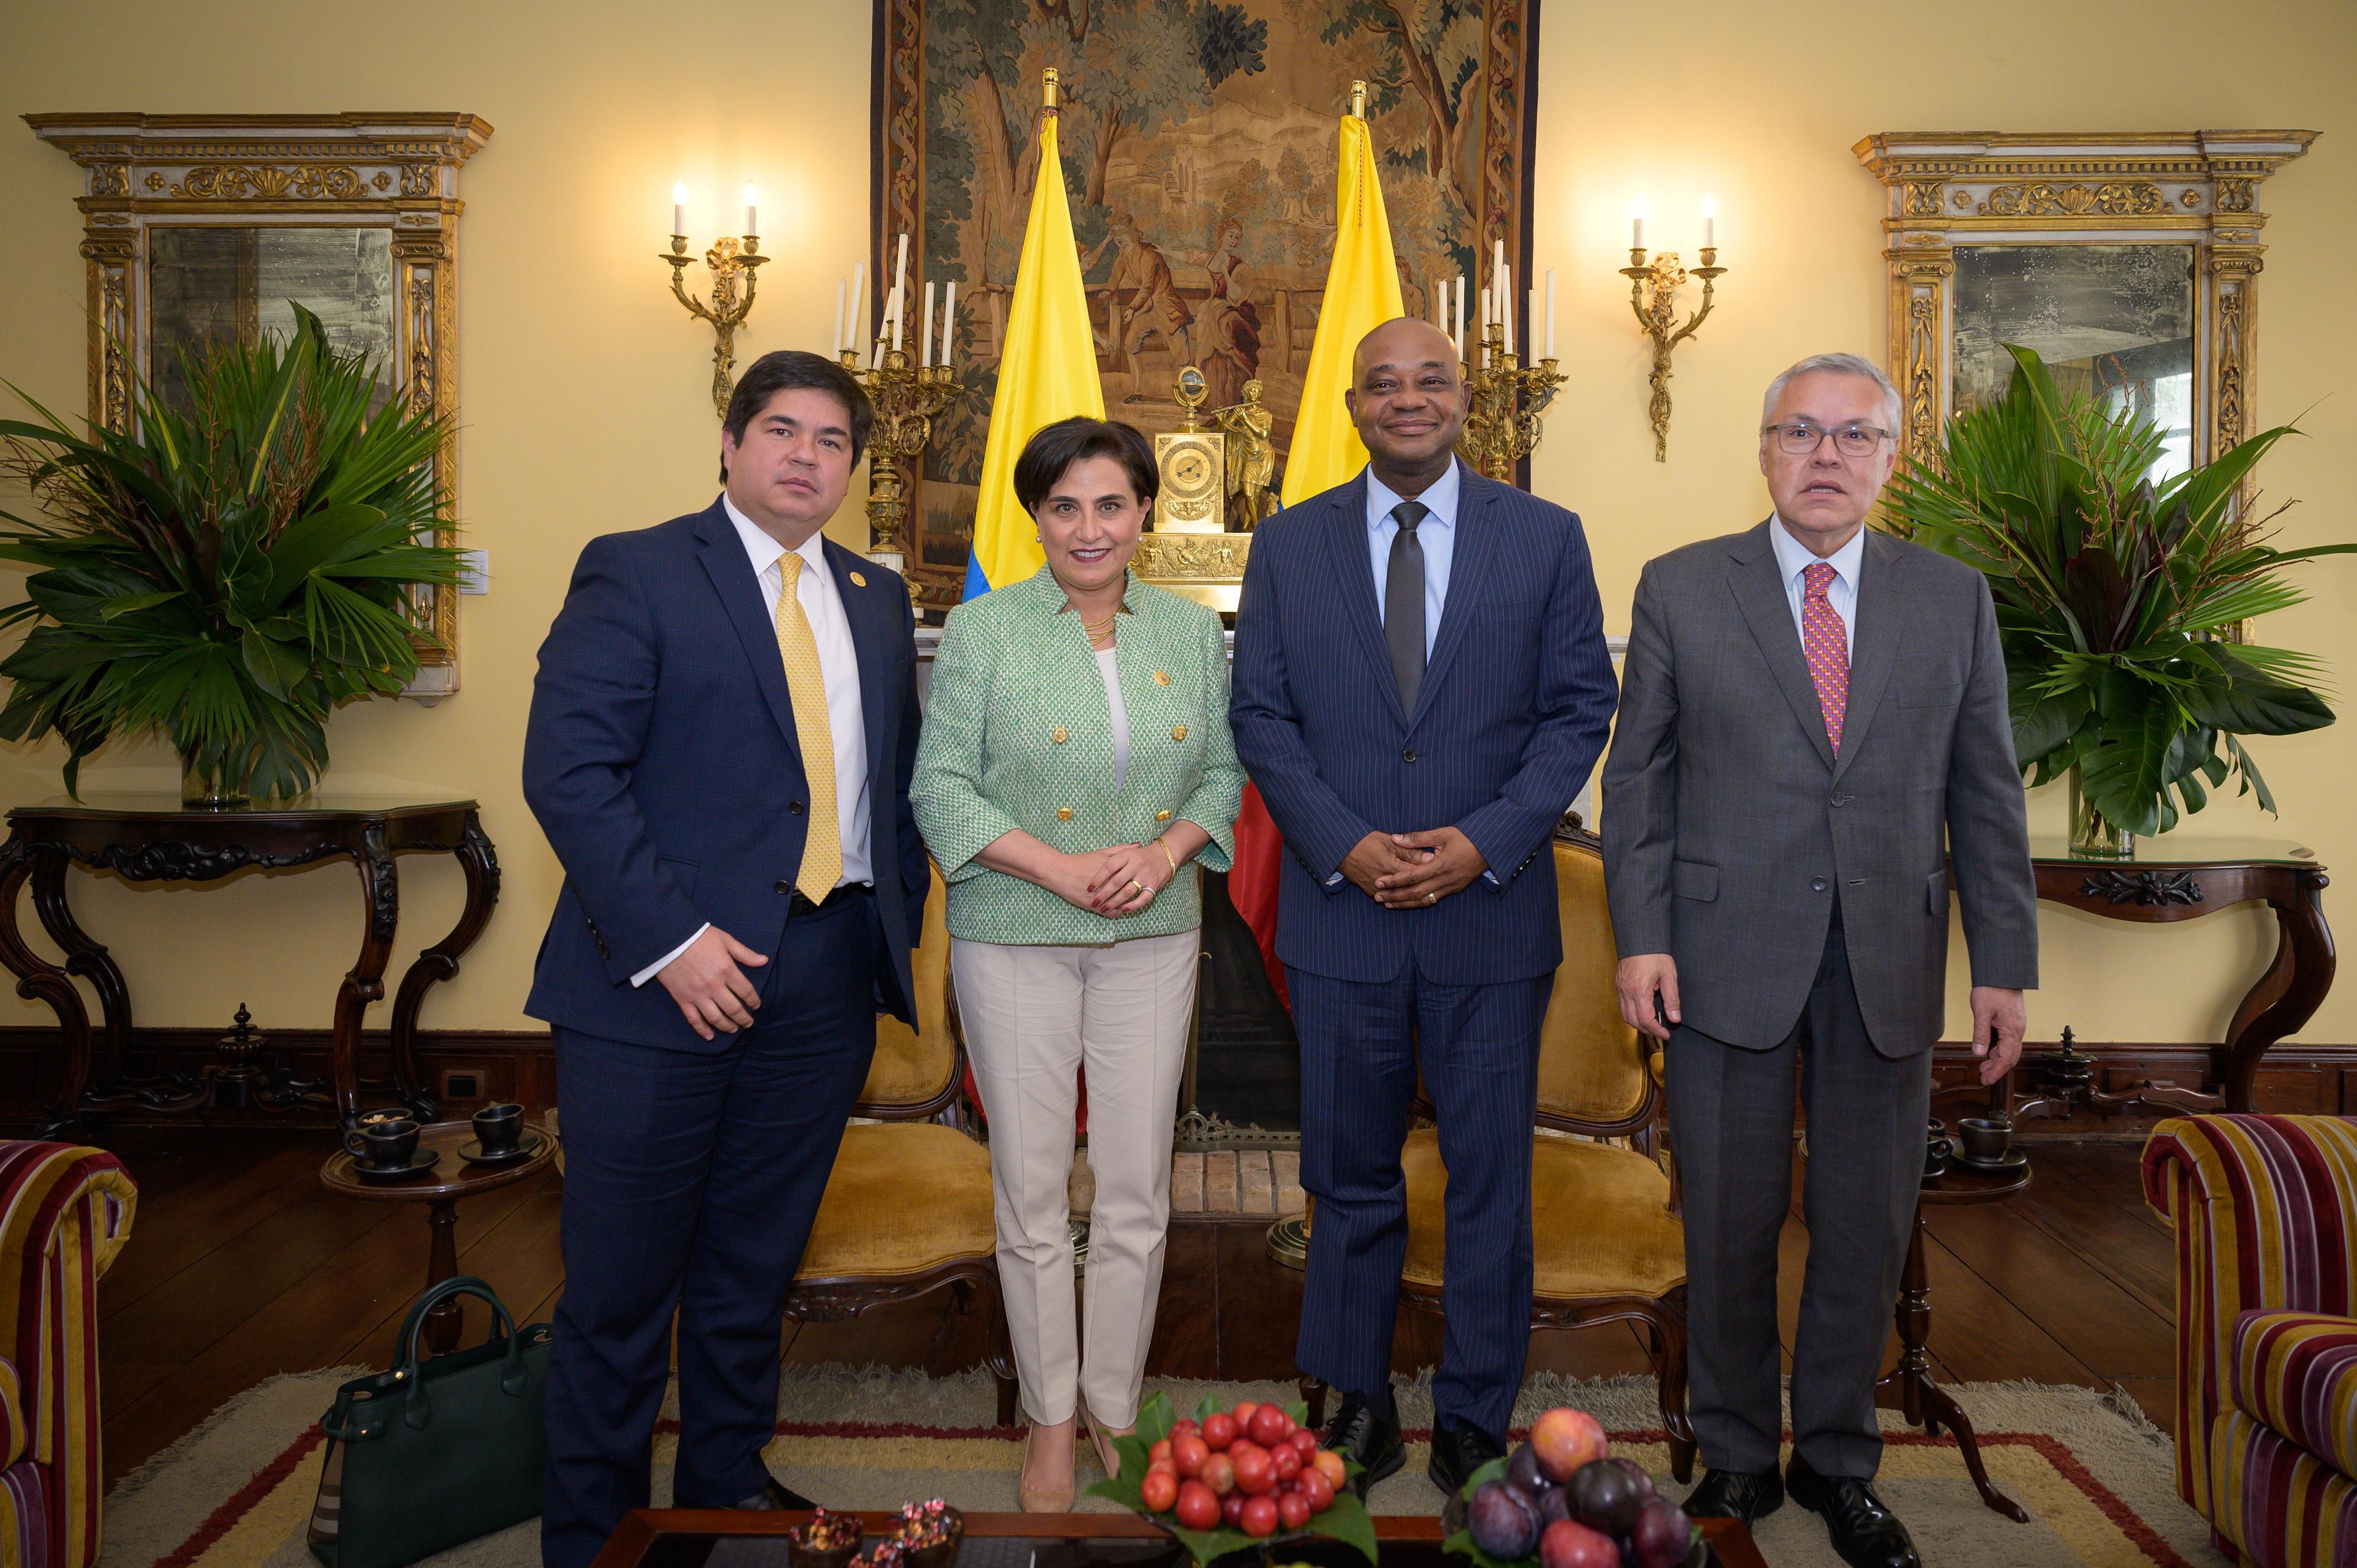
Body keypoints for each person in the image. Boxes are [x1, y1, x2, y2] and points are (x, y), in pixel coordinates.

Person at [1601, 353, 2037, 1568]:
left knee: (1861, 1222)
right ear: (1763, 450)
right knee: (1727, 1220)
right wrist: (1641, 934)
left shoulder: (1951, 598)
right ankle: (1737, 1452)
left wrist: (2000, 963)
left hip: (1888, 956)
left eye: (1854, 434)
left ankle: (1838, 1461)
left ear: (1889, 456)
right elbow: (1636, 781)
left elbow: (1985, 792)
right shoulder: (1684, 586)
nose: (1826, 455)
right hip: (1719, 953)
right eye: (1800, 430)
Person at [522, 351, 928, 1568]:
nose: (806, 456)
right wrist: (674, 942)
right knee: (618, 1292)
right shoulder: (639, 568)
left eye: (832, 440)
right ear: (730, 443)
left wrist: (885, 931)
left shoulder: (873, 594)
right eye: (781, 430)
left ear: (853, 470)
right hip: (659, 987)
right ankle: (596, 1539)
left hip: (823, 977)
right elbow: (569, 774)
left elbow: (888, 785)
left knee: (752, 1267)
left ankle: (722, 1489)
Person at [1229, 318, 1617, 1495]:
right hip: (1341, 914)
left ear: (1464, 397)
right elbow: (1260, 715)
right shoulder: (1288, 543)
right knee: (1346, 1175)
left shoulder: (1545, 536)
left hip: (1488, 917)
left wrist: (1484, 840)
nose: (1408, 399)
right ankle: (1357, 1403)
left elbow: (1578, 707)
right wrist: (1342, 843)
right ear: (1352, 406)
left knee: (1489, 1178)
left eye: (1430, 380)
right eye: (1384, 384)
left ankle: (1473, 1415)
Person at [910, 417, 1243, 1512]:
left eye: (1110, 504)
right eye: (1064, 506)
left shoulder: (1191, 631)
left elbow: (1224, 773)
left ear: (1145, 510)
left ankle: (1114, 1405)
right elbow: (939, 786)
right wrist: (1058, 868)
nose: (1089, 528)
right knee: (1033, 1189)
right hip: (1015, 928)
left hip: (1153, 928)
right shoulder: (983, 629)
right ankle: (1050, 1419)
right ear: (1036, 517)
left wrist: (1163, 854)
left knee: (1139, 1188)